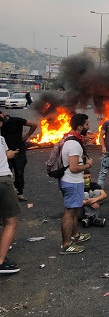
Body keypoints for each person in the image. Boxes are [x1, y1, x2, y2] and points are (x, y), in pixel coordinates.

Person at [59, 113, 93, 255]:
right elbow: (73, 168)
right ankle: (66, 245)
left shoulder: (73, 139)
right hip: (71, 182)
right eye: (86, 124)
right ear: (79, 127)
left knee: (74, 210)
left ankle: (75, 236)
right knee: (69, 212)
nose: (88, 126)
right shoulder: (73, 144)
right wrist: (87, 165)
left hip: (74, 181)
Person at [0, 110, 37, 202]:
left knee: (19, 172)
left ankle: (19, 193)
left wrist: (26, 137)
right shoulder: (1, 124)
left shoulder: (16, 120)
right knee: (6, 173)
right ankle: (9, 194)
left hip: (18, 150)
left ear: (3, 114)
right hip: (6, 151)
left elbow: (34, 124)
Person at [0, 115, 20, 273]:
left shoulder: (1, 139)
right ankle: (0, 261)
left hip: (4, 180)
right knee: (10, 221)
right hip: (3, 181)